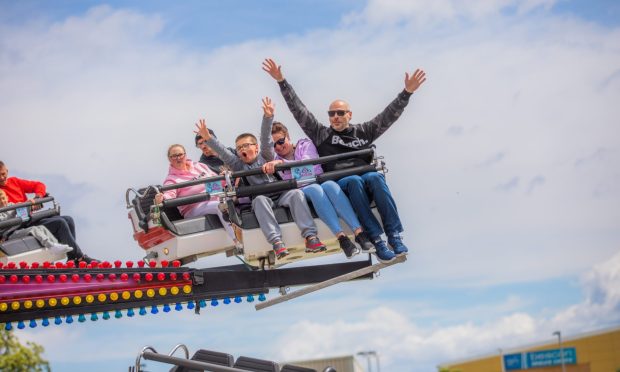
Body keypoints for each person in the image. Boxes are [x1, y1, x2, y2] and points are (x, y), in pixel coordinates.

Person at [262, 58, 427, 262]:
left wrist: (406, 93)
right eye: (332, 114)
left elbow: (388, 116)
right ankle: (377, 239)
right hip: (344, 182)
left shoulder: (364, 131)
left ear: (349, 114)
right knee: (354, 181)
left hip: (368, 179)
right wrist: (282, 82)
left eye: (340, 113)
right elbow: (299, 110)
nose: (336, 117)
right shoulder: (321, 134)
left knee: (375, 177)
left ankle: (394, 234)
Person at [194, 97, 327, 259]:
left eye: (246, 145)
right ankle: (277, 242)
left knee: (296, 194)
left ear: (255, 147)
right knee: (259, 201)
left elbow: (265, 138)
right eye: (239, 147)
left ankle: (310, 236)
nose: (242, 149)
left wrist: (268, 117)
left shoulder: (266, 155)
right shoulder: (238, 164)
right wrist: (208, 139)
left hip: (282, 194)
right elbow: (223, 152)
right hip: (263, 197)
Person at [262, 121, 374, 258]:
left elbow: (310, 165)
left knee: (331, 186)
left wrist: (283, 164)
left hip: (319, 182)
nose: (278, 147)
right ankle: (342, 238)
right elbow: (266, 145)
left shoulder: (305, 145)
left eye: (280, 141)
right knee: (315, 189)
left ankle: (359, 234)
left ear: (288, 136)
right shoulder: (274, 158)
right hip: (302, 189)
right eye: (274, 145)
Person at [0, 160, 96, 263]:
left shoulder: (14, 182)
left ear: (7, 171)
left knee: (68, 219)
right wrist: (27, 206)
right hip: (18, 225)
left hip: (29, 218)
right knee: (60, 223)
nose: (1, 178)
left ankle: (72, 258)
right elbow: (9, 214)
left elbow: (39, 185)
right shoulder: (2, 195)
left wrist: (37, 199)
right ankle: (79, 258)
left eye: (3, 174)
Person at [153, 144, 239, 246]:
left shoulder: (199, 166)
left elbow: (216, 182)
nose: (178, 158)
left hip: (216, 197)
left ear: (185, 155)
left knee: (239, 198)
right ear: (169, 159)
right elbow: (169, 195)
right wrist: (162, 198)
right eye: (174, 156)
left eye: (180, 154)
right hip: (194, 208)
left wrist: (223, 177)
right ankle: (238, 240)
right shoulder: (171, 179)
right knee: (220, 206)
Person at [0, 189, 73, 255]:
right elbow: (4, 220)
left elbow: (22, 209)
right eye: (0, 200)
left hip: (18, 229)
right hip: (8, 235)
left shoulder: (11, 205)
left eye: (3, 198)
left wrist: (29, 204)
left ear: (7, 197)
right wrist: (14, 211)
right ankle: (52, 246)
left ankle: (55, 245)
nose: (2, 201)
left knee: (41, 228)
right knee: (33, 229)